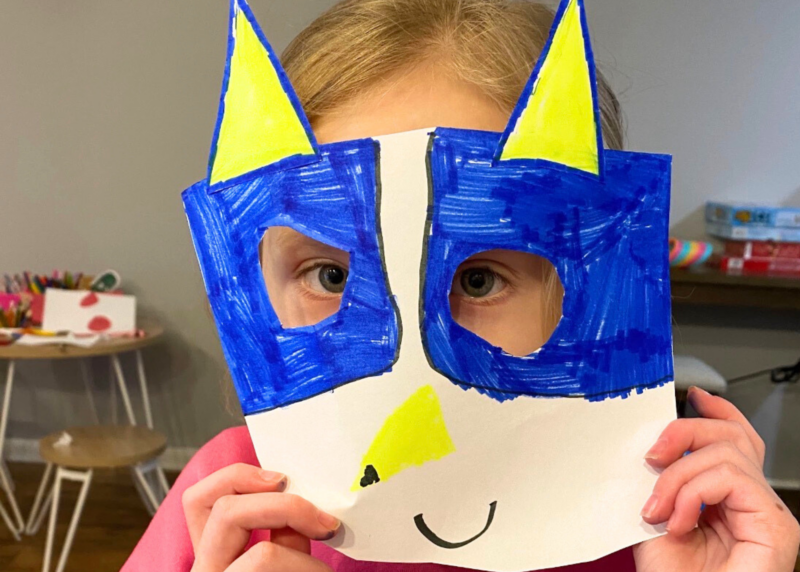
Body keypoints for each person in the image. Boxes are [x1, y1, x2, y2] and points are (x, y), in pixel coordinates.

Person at [122, 0, 800, 571]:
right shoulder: (225, 512)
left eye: (479, 279)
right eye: (330, 275)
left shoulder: (666, 526)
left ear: (589, 284)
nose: (412, 381)